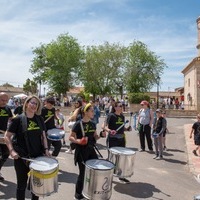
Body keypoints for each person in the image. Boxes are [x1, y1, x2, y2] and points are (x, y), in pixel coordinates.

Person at [4, 95, 50, 200]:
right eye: (32, 103)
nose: (34, 105)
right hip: (22, 157)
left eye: (36, 104)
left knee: (37, 186)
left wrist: (46, 150)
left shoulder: (39, 119)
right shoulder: (18, 119)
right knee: (21, 186)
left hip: (37, 157)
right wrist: (12, 151)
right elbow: (7, 136)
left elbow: (43, 136)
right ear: (27, 104)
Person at [69, 103, 102, 200]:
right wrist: (78, 141)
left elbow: (95, 137)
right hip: (81, 152)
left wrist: (101, 135)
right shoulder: (78, 124)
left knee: (95, 171)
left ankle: (89, 191)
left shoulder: (92, 124)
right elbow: (70, 137)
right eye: (92, 111)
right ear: (86, 112)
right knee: (83, 173)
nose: (94, 112)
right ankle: (78, 195)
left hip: (91, 150)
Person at [103, 101, 132, 183]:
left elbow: (122, 128)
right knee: (112, 158)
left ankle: (121, 176)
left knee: (121, 159)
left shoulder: (122, 116)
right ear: (115, 107)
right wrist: (110, 130)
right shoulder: (111, 116)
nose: (121, 107)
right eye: (119, 106)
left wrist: (127, 129)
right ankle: (108, 176)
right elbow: (105, 126)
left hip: (121, 139)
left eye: (121, 106)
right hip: (113, 139)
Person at [0, 92, 13, 181]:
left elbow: (11, 119)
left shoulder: (7, 109)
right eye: (2, 100)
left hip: (4, 135)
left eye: (6, 100)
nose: (4, 102)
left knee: (5, 154)